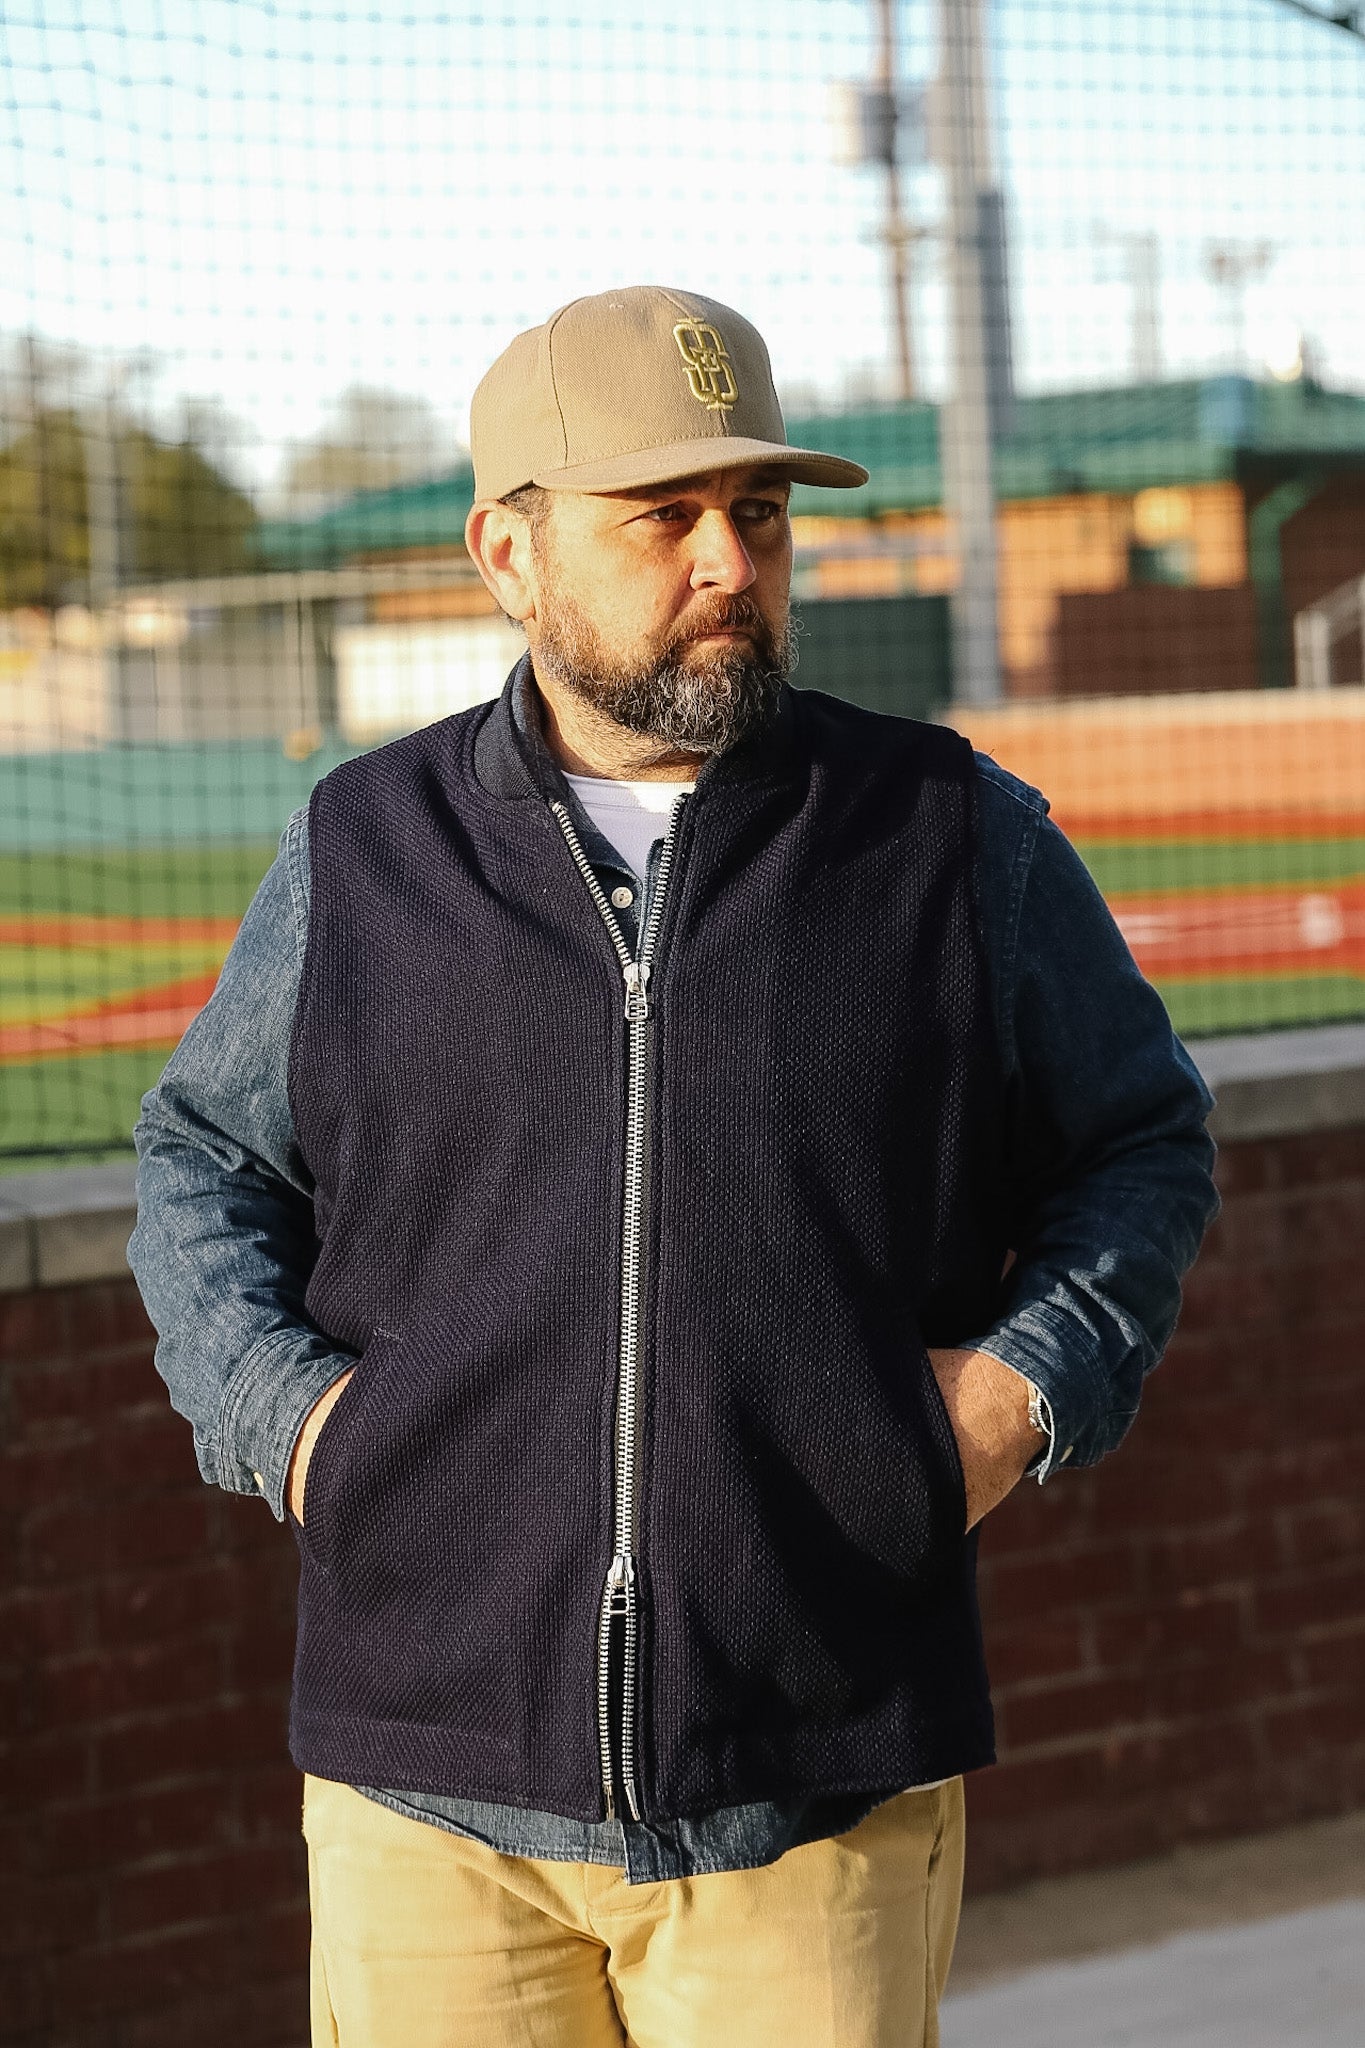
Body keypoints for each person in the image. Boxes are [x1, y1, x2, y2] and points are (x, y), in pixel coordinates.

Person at [130, 285, 1219, 2048]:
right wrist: (293, 1425)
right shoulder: (360, 847)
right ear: (507, 550)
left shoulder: (949, 834)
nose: (730, 559)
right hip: (427, 1794)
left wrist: (1023, 1392)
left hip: (815, 1783)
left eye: (761, 514)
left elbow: (1140, 1139)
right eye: (662, 516)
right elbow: (198, 1160)